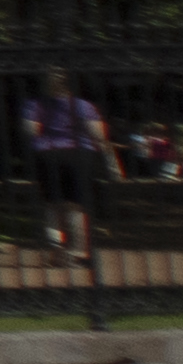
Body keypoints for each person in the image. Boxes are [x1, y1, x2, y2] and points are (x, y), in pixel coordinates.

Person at [17, 77, 110, 260]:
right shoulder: (83, 106)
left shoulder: (34, 104)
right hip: (79, 155)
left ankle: (55, 247)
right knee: (75, 206)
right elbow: (99, 134)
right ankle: (77, 251)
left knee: (52, 204)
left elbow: (30, 130)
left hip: (47, 154)